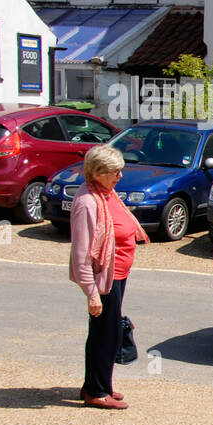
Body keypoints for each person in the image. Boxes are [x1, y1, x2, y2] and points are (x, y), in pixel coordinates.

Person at [69, 144, 149, 410]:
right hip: (104, 278)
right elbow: (81, 255)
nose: (120, 176)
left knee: (107, 331)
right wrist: (92, 294)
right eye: (116, 171)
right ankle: (96, 390)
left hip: (118, 273)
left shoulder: (106, 193)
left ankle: (100, 382)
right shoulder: (87, 202)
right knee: (105, 333)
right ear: (99, 172)